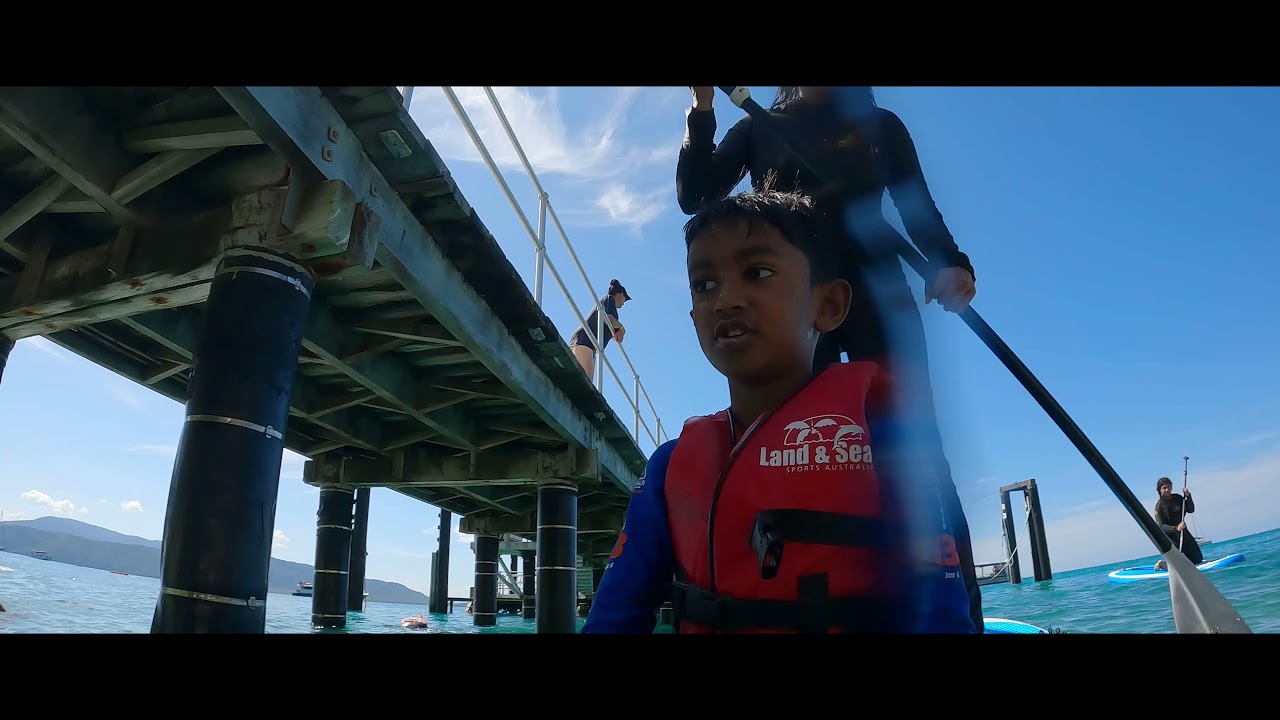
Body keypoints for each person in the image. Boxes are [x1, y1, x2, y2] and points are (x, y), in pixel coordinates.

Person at [580, 186, 975, 634]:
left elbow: (941, 616)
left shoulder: (888, 445)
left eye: (758, 272)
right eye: (704, 284)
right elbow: (614, 617)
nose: (725, 299)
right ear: (694, 318)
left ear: (828, 305)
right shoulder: (667, 468)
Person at [675, 85, 985, 632]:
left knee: (916, 452)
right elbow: (696, 194)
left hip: (879, 298)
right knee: (790, 449)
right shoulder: (755, 126)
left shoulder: (879, 125)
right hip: (793, 307)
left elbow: (916, 204)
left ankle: (957, 616)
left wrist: (951, 261)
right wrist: (702, 110)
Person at [568, 278, 631, 380]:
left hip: (590, 345)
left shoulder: (613, 310)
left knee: (587, 382)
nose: (624, 302)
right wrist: (622, 328)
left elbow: (615, 334)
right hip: (585, 341)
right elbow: (607, 317)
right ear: (621, 294)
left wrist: (619, 331)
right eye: (625, 298)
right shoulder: (609, 299)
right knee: (584, 381)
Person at [1153, 477, 1202, 569]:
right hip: (1172, 538)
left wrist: (1188, 495)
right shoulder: (1159, 506)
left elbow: (1191, 509)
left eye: (1169, 487)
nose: (1167, 490)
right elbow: (1160, 527)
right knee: (1180, 564)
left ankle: (1169, 564)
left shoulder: (1178, 498)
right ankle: (1162, 564)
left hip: (1184, 533)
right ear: (1159, 490)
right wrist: (1176, 528)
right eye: (1164, 488)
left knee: (1197, 559)